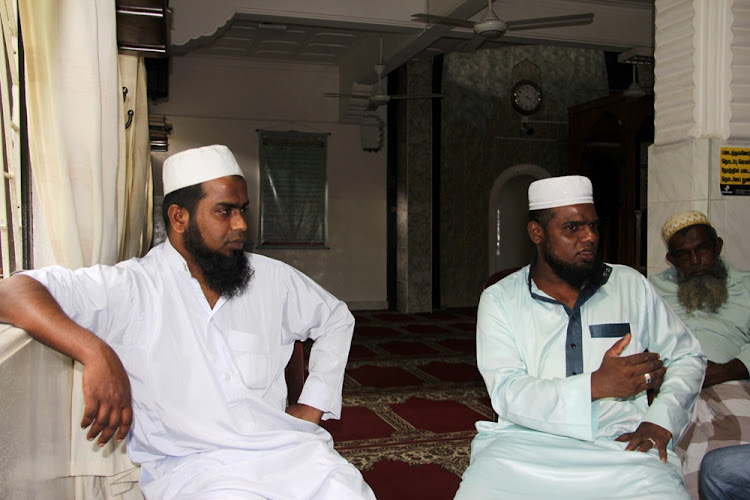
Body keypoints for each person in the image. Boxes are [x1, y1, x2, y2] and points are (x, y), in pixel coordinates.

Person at [0, 145, 375, 500]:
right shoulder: (131, 287)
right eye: (225, 211)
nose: (241, 224)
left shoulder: (271, 278)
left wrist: (313, 405)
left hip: (290, 452)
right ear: (179, 217)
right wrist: (95, 351)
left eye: (242, 209)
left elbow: (336, 319)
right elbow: (13, 292)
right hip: (194, 468)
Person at [454, 175, 706, 499]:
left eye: (593, 226)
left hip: (621, 443)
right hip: (523, 446)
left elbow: (687, 356)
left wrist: (661, 421)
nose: (589, 237)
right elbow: (506, 390)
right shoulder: (501, 299)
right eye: (572, 228)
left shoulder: (630, 285)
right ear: (537, 233)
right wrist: (596, 385)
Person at [649, 210, 750, 498]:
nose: (696, 262)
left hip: (731, 385)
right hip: (671, 388)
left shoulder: (747, 285)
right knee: (664, 462)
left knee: (733, 449)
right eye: (684, 255)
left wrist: (724, 371)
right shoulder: (650, 290)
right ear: (671, 259)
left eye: (703, 249)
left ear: (717, 246)